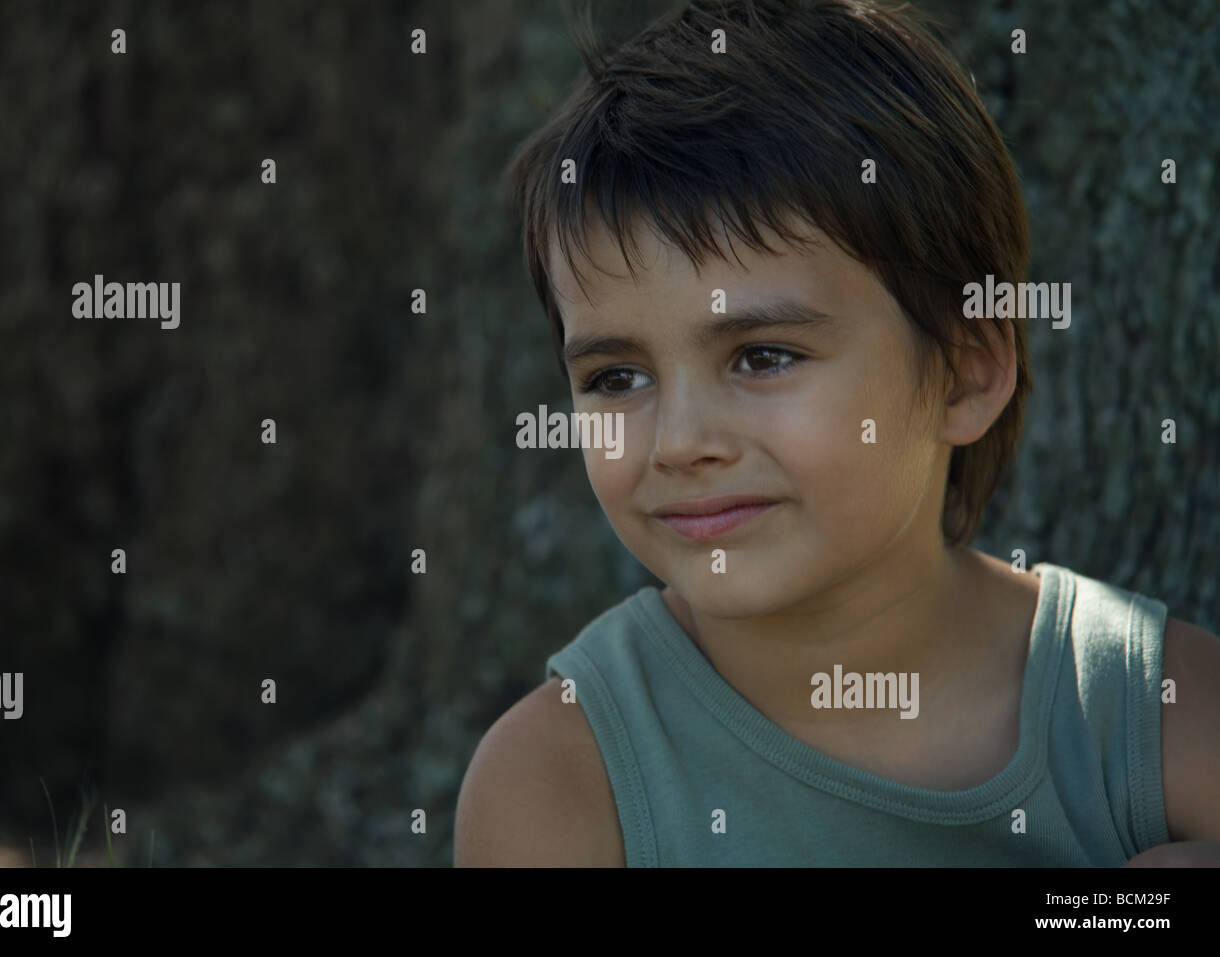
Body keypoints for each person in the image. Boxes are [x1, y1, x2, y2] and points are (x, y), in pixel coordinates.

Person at [454, 0, 1220, 866]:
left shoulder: (1154, 708)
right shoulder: (563, 779)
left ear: (965, 373)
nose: (677, 441)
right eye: (616, 378)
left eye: (763, 356)